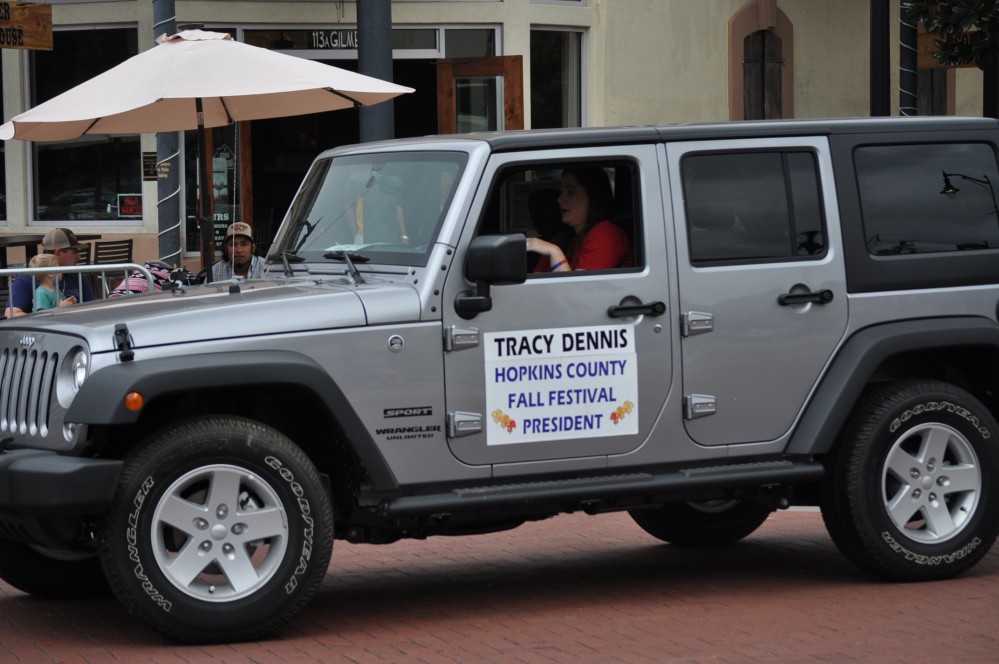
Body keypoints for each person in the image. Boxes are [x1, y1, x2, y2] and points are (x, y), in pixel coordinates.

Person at [526, 167, 634, 272]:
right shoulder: (561, 238)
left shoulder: (605, 233)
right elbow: (538, 279)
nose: (559, 199)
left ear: (593, 197)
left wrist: (554, 252)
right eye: (561, 192)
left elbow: (579, 289)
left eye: (571, 192)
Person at [5, 228, 96, 317]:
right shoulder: (27, 279)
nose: (78, 256)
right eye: (74, 251)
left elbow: (93, 308)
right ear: (59, 252)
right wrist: (53, 313)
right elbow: (12, 314)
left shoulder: (77, 276)